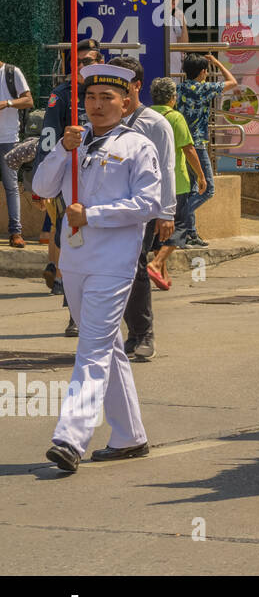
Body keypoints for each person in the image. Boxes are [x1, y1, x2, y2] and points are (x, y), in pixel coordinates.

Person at [34, 63, 162, 473]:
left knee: (91, 347)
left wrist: (93, 214)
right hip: (74, 260)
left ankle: (71, 436)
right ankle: (130, 436)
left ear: (125, 103)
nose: (97, 104)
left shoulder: (138, 146)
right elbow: (40, 188)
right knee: (105, 347)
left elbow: (148, 204)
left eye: (108, 98)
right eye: (91, 97)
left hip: (113, 261)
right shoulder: (75, 142)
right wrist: (62, 149)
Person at [33, 39, 103, 336]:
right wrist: (41, 184)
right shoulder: (63, 96)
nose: (84, 66)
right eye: (80, 62)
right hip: (72, 182)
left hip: (106, 177)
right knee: (73, 245)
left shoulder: (108, 92)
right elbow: (48, 138)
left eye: (90, 61)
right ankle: (76, 314)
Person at [112, 56, 176, 362]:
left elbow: (167, 167)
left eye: (122, 86)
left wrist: (167, 212)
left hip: (142, 209)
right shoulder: (100, 122)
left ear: (137, 86)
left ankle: (143, 333)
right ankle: (129, 332)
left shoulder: (155, 123)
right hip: (107, 208)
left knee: (134, 267)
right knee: (114, 270)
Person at [147, 77, 205, 289]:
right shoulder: (175, 117)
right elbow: (188, 148)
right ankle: (156, 263)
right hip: (176, 182)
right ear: (173, 98)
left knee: (157, 229)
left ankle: (162, 274)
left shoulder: (145, 116)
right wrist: (201, 175)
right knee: (180, 227)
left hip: (150, 182)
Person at [177, 53, 237, 247]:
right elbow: (232, 81)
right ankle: (179, 220)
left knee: (192, 188)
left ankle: (190, 233)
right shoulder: (204, 89)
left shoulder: (177, 88)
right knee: (208, 189)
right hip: (197, 144)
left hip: (181, 144)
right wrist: (217, 62)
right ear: (203, 72)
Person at [0, 57, 34, 246]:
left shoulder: (12, 72)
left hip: (8, 139)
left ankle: (15, 232)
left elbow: (29, 100)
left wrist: (7, 103)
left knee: (11, 186)